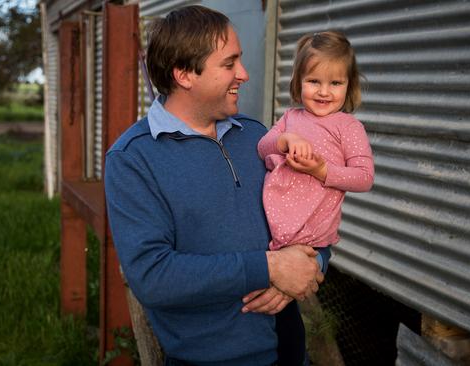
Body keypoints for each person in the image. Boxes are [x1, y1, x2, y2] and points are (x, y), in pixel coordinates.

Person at [104, 5, 324, 366]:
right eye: (229, 63)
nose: (244, 74)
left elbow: (314, 214)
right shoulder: (133, 159)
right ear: (185, 74)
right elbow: (153, 276)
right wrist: (269, 268)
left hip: (288, 351)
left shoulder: (258, 137)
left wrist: (311, 266)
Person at [255, 30, 374, 365]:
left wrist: (324, 171)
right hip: (273, 233)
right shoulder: (291, 119)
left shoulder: (348, 128)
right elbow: (262, 147)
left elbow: (364, 178)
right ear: (298, 82)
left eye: (335, 83)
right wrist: (283, 140)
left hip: (309, 240)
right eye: (314, 81)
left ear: (349, 86)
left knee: (287, 317)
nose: (324, 92)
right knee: (267, 311)